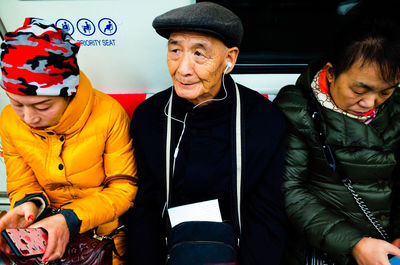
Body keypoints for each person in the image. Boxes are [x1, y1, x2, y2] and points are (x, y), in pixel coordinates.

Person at [125, 2, 287, 265]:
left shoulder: (262, 120)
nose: (183, 69)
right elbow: (144, 210)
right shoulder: (150, 117)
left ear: (229, 59)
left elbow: (266, 215)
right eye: (175, 50)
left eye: (199, 54)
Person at [0, 18, 138, 264]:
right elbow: (21, 181)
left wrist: (69, 219)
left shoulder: (108, 113)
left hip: (103, 242)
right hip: (43, 240)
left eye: (43, 106)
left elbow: (123, 190)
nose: (29, 117)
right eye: (17, 103)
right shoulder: (9, 120)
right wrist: (27, 204)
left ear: (69, 93)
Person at [274, 3, 400, 264]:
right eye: (359, 90)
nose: (370, 103)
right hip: (326, 248)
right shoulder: (297, 110)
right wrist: (354, 243)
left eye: (385, 92)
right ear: (331, 73)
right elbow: (290, 191)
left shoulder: (395, 107)